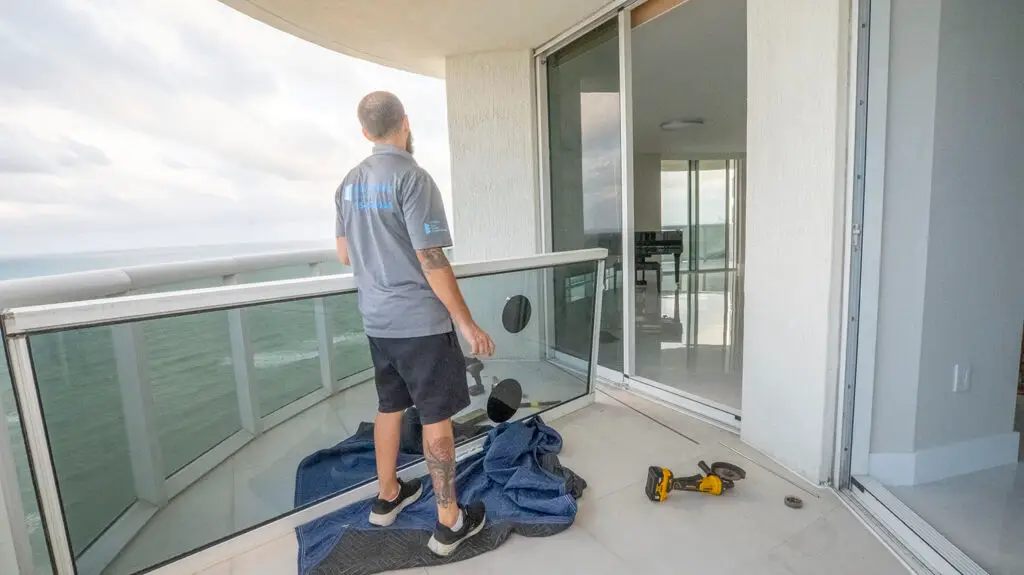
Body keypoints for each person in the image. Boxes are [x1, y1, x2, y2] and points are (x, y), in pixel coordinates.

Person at [334, 91, 496, 557]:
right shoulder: (412, 177)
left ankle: (388, 496)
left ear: (365, 132)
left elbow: (346, 253)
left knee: (389, 407)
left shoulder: (347, 184)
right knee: (435, 417)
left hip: (377, 322)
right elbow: (431, 258)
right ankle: (449, 522)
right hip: (421, 325)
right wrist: (466, 324)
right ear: (405, 123)